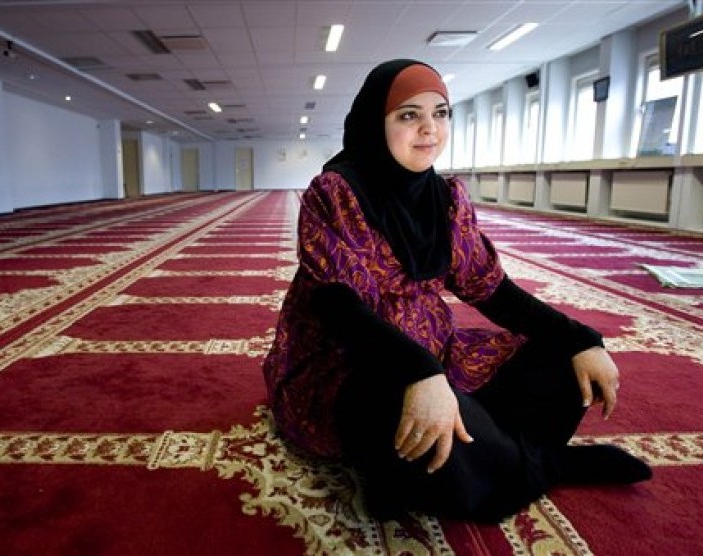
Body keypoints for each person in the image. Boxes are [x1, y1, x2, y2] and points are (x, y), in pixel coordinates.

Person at [262, 59, 651, 523]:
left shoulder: (446, 199)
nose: (429, 129)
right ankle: (537, 464)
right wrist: (418, 372)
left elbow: (491, 290)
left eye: (440, 113)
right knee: (389, 407)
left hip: (436, 354)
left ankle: (450, 465)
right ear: (376, 122)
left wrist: (580, 336)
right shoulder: (336, 193)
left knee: (562, 362)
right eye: (409, 115)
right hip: (351, 364)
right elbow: (338, 310)